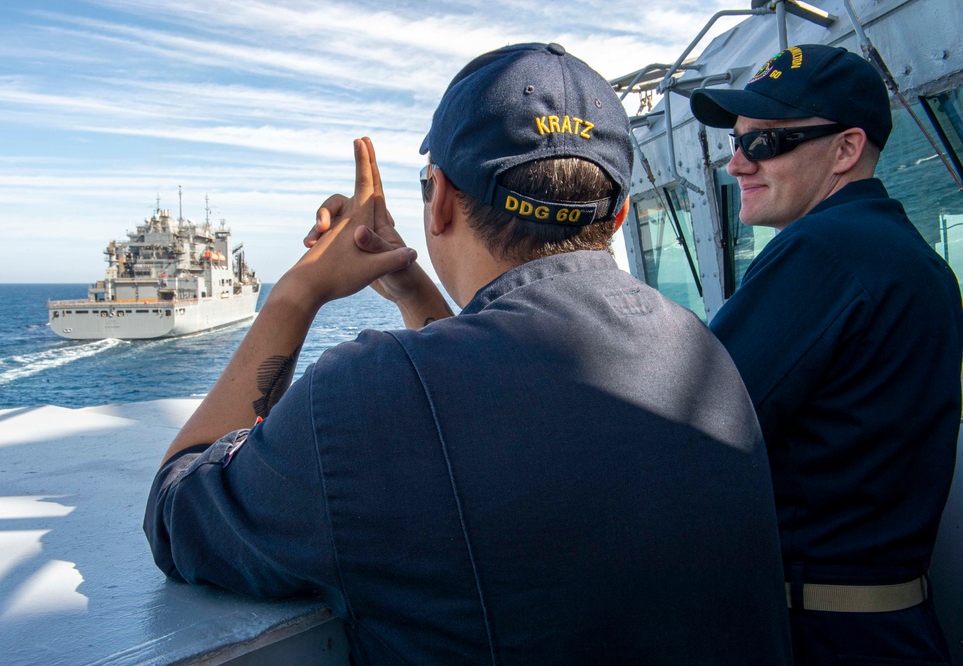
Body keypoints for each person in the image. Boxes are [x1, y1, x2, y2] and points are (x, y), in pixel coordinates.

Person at [145, 43, 792, 664]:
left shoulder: (369, 398)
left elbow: (179, 514)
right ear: (619, 215)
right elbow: (487, 395)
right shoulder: (702, 353)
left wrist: (296, 292)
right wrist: (413, 288)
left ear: (443, 201)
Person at [690, 44, 963, 665]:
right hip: (897, 627)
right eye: (734, 142)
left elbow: (686, 429)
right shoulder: (919, 263)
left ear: (845, 150)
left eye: (764, 144)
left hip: (818, 637)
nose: (736, 165)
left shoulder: (823, 248)